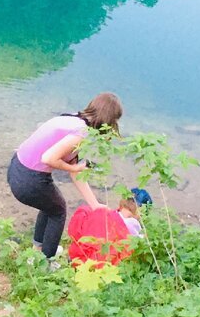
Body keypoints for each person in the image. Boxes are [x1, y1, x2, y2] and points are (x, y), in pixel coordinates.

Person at [7, 93, 123, 260]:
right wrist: (71, 166)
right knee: (58, 211)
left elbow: (75, 171)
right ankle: (47, 261)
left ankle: (37, 251)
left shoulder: (73, 119)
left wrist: (94, 204)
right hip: (29, 180)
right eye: (115, 121)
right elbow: (48, 158)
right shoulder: (81, 133)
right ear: (108, 119)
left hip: (16, 168)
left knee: (49, 205)